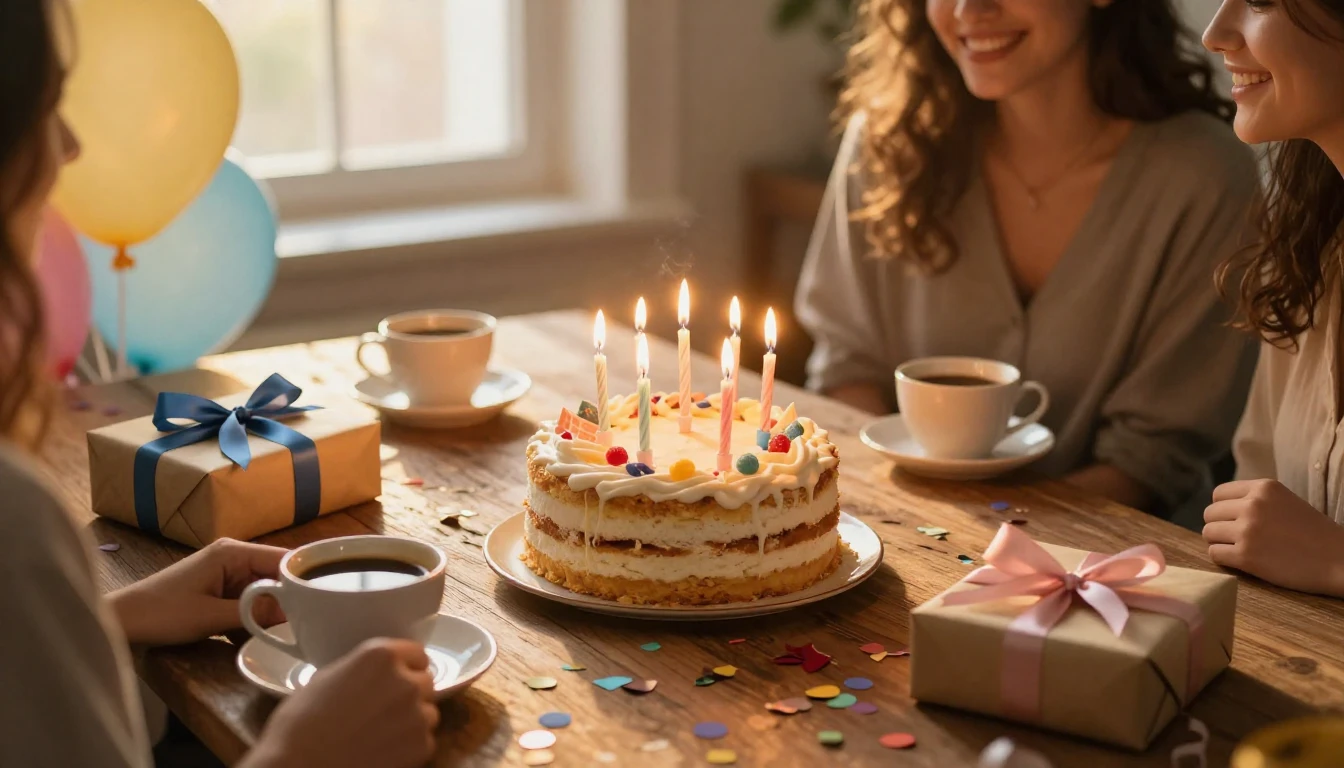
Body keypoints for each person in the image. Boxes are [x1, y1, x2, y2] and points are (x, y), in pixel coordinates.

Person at [0, 2, 441, 766]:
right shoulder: (15, 521)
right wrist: (302, 754)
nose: (68, 147)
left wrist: (108, 617)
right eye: (43, 108)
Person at [795, 0, 1261, 514]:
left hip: (1114, 552)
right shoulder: (887, 147)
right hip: (907, 532)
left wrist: (997, 537)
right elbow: (847, 368)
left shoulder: (1207, 178)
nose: (970, 9)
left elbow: (1151, 460)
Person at [1202, 0, 1344, 598]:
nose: (1215, 34)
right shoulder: (1311, 248)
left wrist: (1336, 561)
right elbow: (1248, 507)